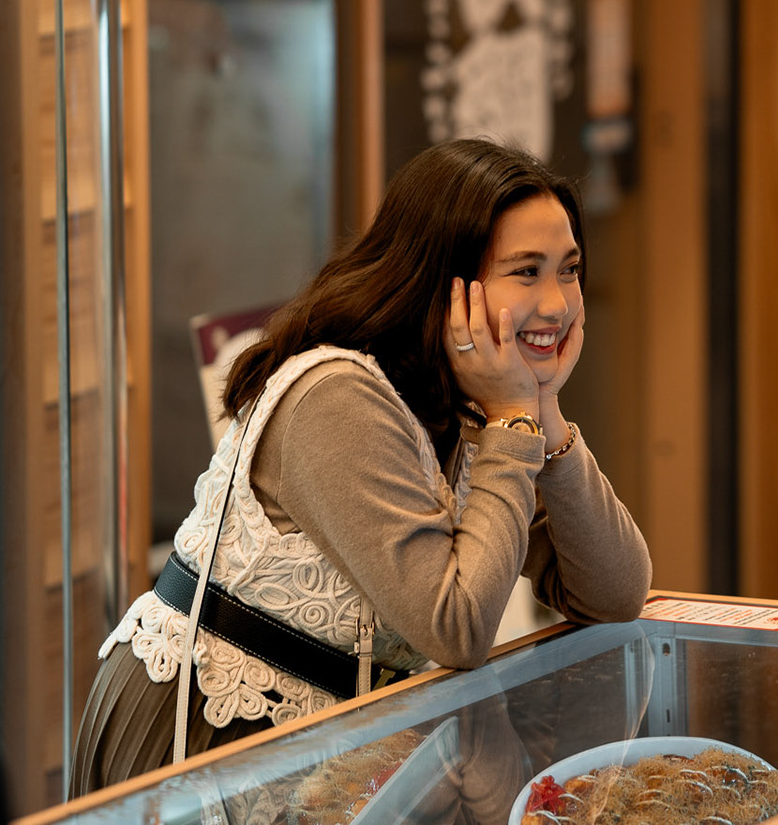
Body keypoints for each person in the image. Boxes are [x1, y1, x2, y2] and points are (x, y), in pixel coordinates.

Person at [72, 139, 652, 795]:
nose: (557, 304)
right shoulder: (339, 394)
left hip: (330, 746)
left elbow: (614, 593)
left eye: (569, 269)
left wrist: (544, 418)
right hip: (212, 727)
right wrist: (514, 419)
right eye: (526, 272)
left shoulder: (478, 398)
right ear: (446, 282)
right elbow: (455, 624)